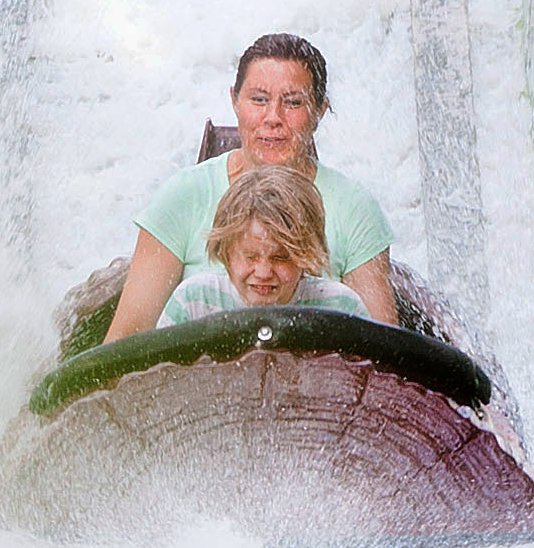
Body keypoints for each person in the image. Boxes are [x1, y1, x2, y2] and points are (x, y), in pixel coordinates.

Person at [104, 33, 401, 337]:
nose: (273, 117)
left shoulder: (355, 208)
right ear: (234, 100)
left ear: (319, 111)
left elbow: (386, 356)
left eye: (293, 102)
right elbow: (126, 338)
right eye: (259, 100)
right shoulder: (183, 196)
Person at [153, 162, 367, 325]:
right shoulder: (193, 301)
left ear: (306, 256)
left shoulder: (341, 307)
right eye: (250, 256)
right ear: (225, 254)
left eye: (281, 258)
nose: (263, 272)